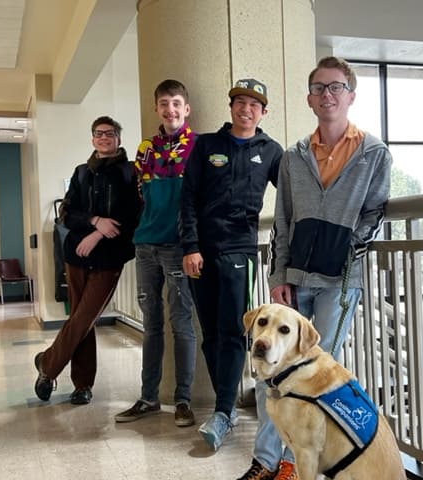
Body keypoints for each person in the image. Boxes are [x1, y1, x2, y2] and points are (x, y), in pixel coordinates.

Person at [238, 57, 392, 480]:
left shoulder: (374, 153)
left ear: (351, 96)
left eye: (336, 87)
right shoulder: (293, 157)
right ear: (309, 98)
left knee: (312, 371)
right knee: (275, 370)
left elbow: (376, 212)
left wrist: (346, 250)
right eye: (320, 88)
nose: (328, 95)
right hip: (296, 279)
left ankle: (294, 459)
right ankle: (265, 462)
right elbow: (283, 222)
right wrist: (279, 276)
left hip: (340, 284)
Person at [179, 78, 283, 451]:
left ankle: (223, 410)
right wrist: (190, 246)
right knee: (210, 332)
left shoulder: (271, 151)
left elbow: (290, 195)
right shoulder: (206, 145)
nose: (246, 109)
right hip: (200, 253)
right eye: (240, 102)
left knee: (234, 330)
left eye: (254, 105)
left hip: (240, 252)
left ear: (263, 112)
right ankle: (226, 405)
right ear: (231, 107)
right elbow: (187, 198)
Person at [34, 115, 141, 405]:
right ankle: (82, 385)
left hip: (109, 257)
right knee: (81, 321)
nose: (103, 138)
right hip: (76, 255)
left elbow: (131, 218)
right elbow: (66, 213)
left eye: (109, 133)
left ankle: (47, 364)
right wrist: (94, 221)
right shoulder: (82, 172)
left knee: (84, 316)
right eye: (98, 133)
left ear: (119, 138)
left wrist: (97, 235)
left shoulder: (131, 173)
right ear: (92, 139)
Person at [115, 79, 198, 427]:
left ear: (186, 108)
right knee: (151, 325)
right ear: (156, 108)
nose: (171, 110)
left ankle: (183, 400)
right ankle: (149, 397)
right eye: (164, 103)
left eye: (176, 103)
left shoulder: (196, 146)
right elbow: (140, 197)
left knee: (181, 323)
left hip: (178, 246)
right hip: (145, 245)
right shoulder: (145, 149)